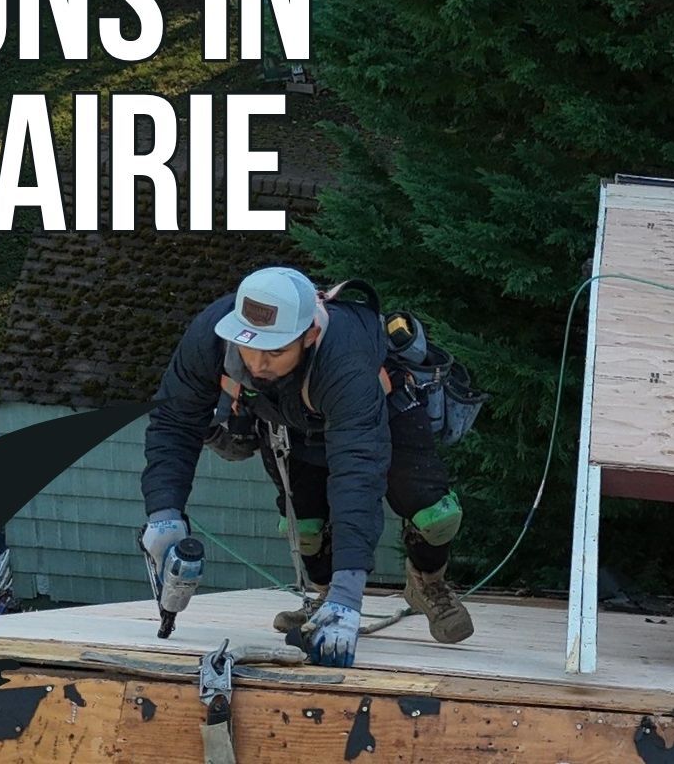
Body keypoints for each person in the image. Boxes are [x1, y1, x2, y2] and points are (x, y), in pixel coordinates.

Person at [138, 266, 474, 667]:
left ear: (309, 335)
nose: (257, 364)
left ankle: (426, 583)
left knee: (435, 515)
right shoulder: (211, 334)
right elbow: (174, 421)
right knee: (307, 530)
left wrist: (350, 598)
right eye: (248, 347)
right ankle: (323, 599)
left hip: (380, 410)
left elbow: (358, 475)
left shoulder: (344, 358)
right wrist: (164, 514)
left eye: (275, 351)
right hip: (289, 419)